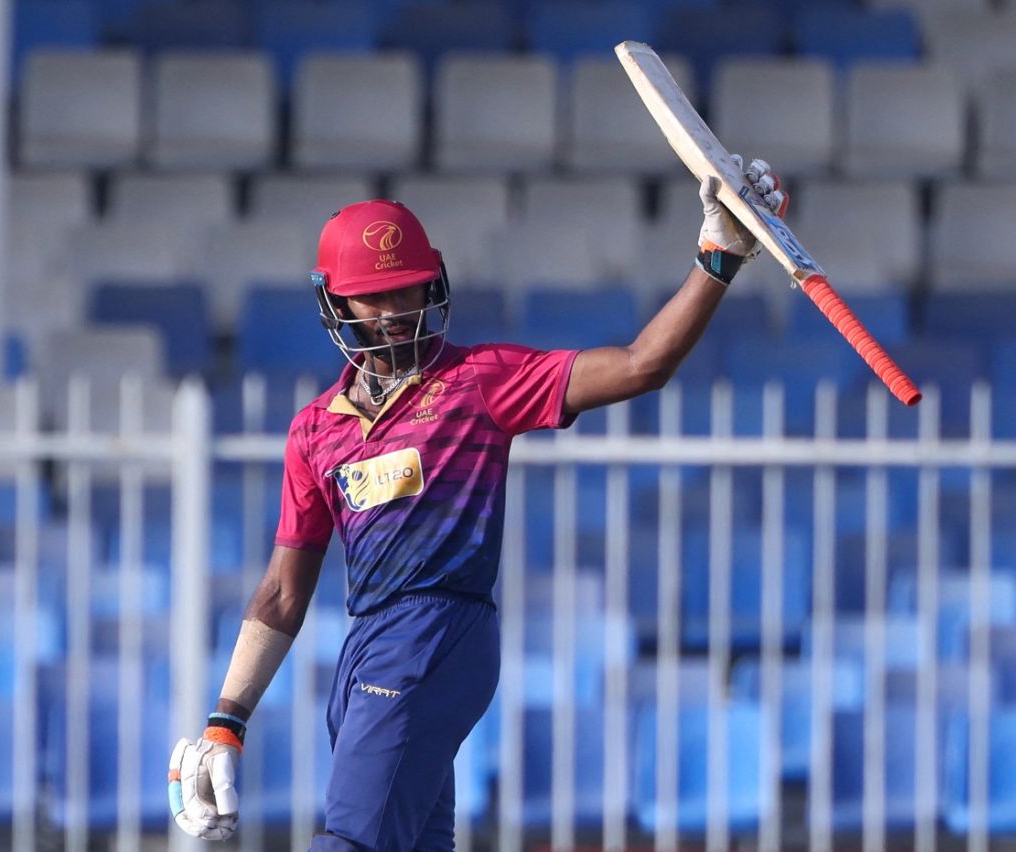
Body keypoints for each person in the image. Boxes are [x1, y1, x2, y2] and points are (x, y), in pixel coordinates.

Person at [167, 158, 787, 850]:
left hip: (438, 632)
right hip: (366, 648)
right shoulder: (315, 429)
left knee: (350, 843)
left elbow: (644, 364)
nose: (399, 311)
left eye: (410, 290)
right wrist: (227, 721)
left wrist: (716, 259)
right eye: (376, 297)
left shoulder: (478, 380)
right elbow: (282, 592)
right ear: (336, 305)